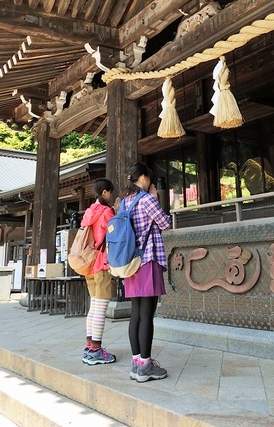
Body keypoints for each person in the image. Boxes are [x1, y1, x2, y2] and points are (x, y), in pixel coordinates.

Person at [122, 162, 172, 383]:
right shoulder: (148, 200)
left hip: (130, 263)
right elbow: (165, 223)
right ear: (143, 177)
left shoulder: (124, 202)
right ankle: (146, 364)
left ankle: (136, 364)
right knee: (147, 314)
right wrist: (155, 197)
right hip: (148, 260)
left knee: (135, 313)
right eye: (149, 178)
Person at [81, 178, 117, 365]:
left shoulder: (89, 212)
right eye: (110, 192)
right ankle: (96, 351)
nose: (112, 196)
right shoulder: (106, 212)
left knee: (93, 308)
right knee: (101, 309)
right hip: (102, 264)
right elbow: (116, 233)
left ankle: (89, 348)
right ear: (104, 192)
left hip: (90, 265)